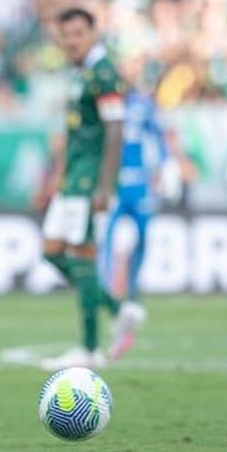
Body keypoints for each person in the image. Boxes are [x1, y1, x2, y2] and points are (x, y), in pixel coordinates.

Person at [38, 7, 146, 372]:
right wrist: (58, 175)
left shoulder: (102, 73)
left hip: (90, 182)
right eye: (65, 34)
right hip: (72, 181)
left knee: (82, 257)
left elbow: (115, 130)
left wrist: (104, 187)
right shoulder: (80, 73)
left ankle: (88, 349)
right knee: (53, 252)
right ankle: (119, 310)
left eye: (78, 34)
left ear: (92, 34)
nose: (71, 41)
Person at [99, 78, 168, 353]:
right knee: (105, 239)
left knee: (142, 238)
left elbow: (158, 137)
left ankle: (133, 291)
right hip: (113, 184)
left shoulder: (142, 105)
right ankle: (110, 297)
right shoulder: (104, 104)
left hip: (139, 183)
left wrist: (163, 168)